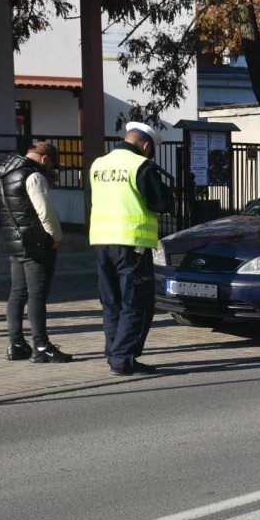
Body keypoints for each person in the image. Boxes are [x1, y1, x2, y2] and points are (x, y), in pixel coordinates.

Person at [89, 122, 174, 376]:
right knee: (136, 302)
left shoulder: (99, 164)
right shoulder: (141, 166)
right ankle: (123, 359)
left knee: (111, 301)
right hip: (132, 243)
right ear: (146, 146)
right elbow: (161, 202)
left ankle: (114, 353)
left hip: (102, 241)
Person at [0, 142, 71, 362]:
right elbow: (44, 211)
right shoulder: (33, 175)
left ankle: (16, 344)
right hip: (36, 242)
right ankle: (41, 346)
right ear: (46, 159)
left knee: (17, 293)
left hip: (14, 240)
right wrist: (57, 237)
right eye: (51, 165)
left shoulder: (3, 171)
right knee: (37, 294)